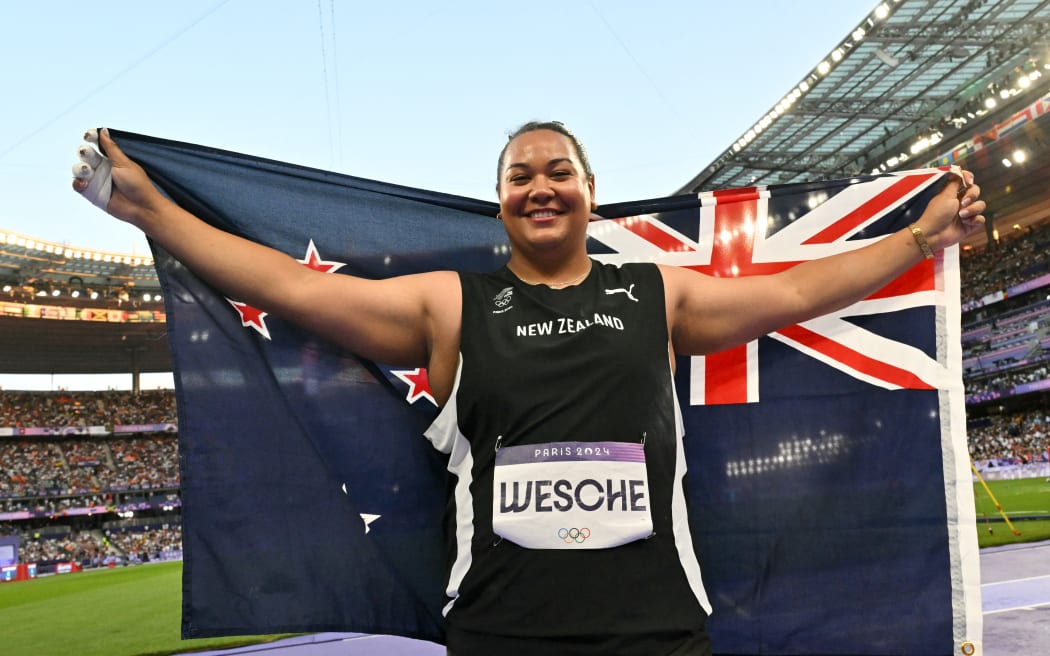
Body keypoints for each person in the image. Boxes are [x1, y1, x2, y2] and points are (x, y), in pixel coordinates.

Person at [73, 122, 985, 656]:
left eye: (560, 173)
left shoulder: (654, 292)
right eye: (521, 176)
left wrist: (916, 240)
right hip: (502, 636)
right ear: (501, 199)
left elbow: (789, 293)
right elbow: (295, 288)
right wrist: (152, 210)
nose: (541, 187)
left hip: (656, 635)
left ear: (591, 193)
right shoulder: (450, 305)